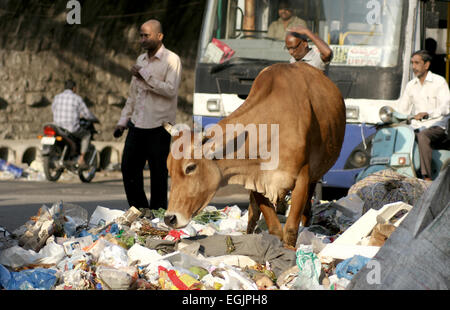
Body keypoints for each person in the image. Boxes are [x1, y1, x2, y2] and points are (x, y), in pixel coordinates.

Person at [114, 19, 182, 215]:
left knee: (158, 175)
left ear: (159, 37)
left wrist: (145, 76)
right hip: (137, 124)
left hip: (159, 126)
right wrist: (122, 121)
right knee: (128, 168)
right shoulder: (140, 60)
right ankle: (141, 210)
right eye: (141, 35)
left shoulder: (172, 60)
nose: (143, 39)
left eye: (147, 35)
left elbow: (171, 90)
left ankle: (158, 213)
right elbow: (133, 95)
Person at [398, 50, 450, 181]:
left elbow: (446, 107)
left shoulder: (439, 82)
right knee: (399, 135)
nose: (413, 67)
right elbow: (403, 110)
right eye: (412, 63)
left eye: (417, 63)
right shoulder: (410, 85)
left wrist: (429, 114)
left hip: (437, 127)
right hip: (417, 127)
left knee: (423, 136)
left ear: (426, 65)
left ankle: (426, 177)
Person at [51, 80, 97, 169]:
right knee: (86, 135)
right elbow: (86, 114)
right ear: (74, 88)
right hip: (71, 128)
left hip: (57, 127)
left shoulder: (57, 97)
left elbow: (53, 109)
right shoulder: (77, 98)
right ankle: (81, 159)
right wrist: (94, 119)